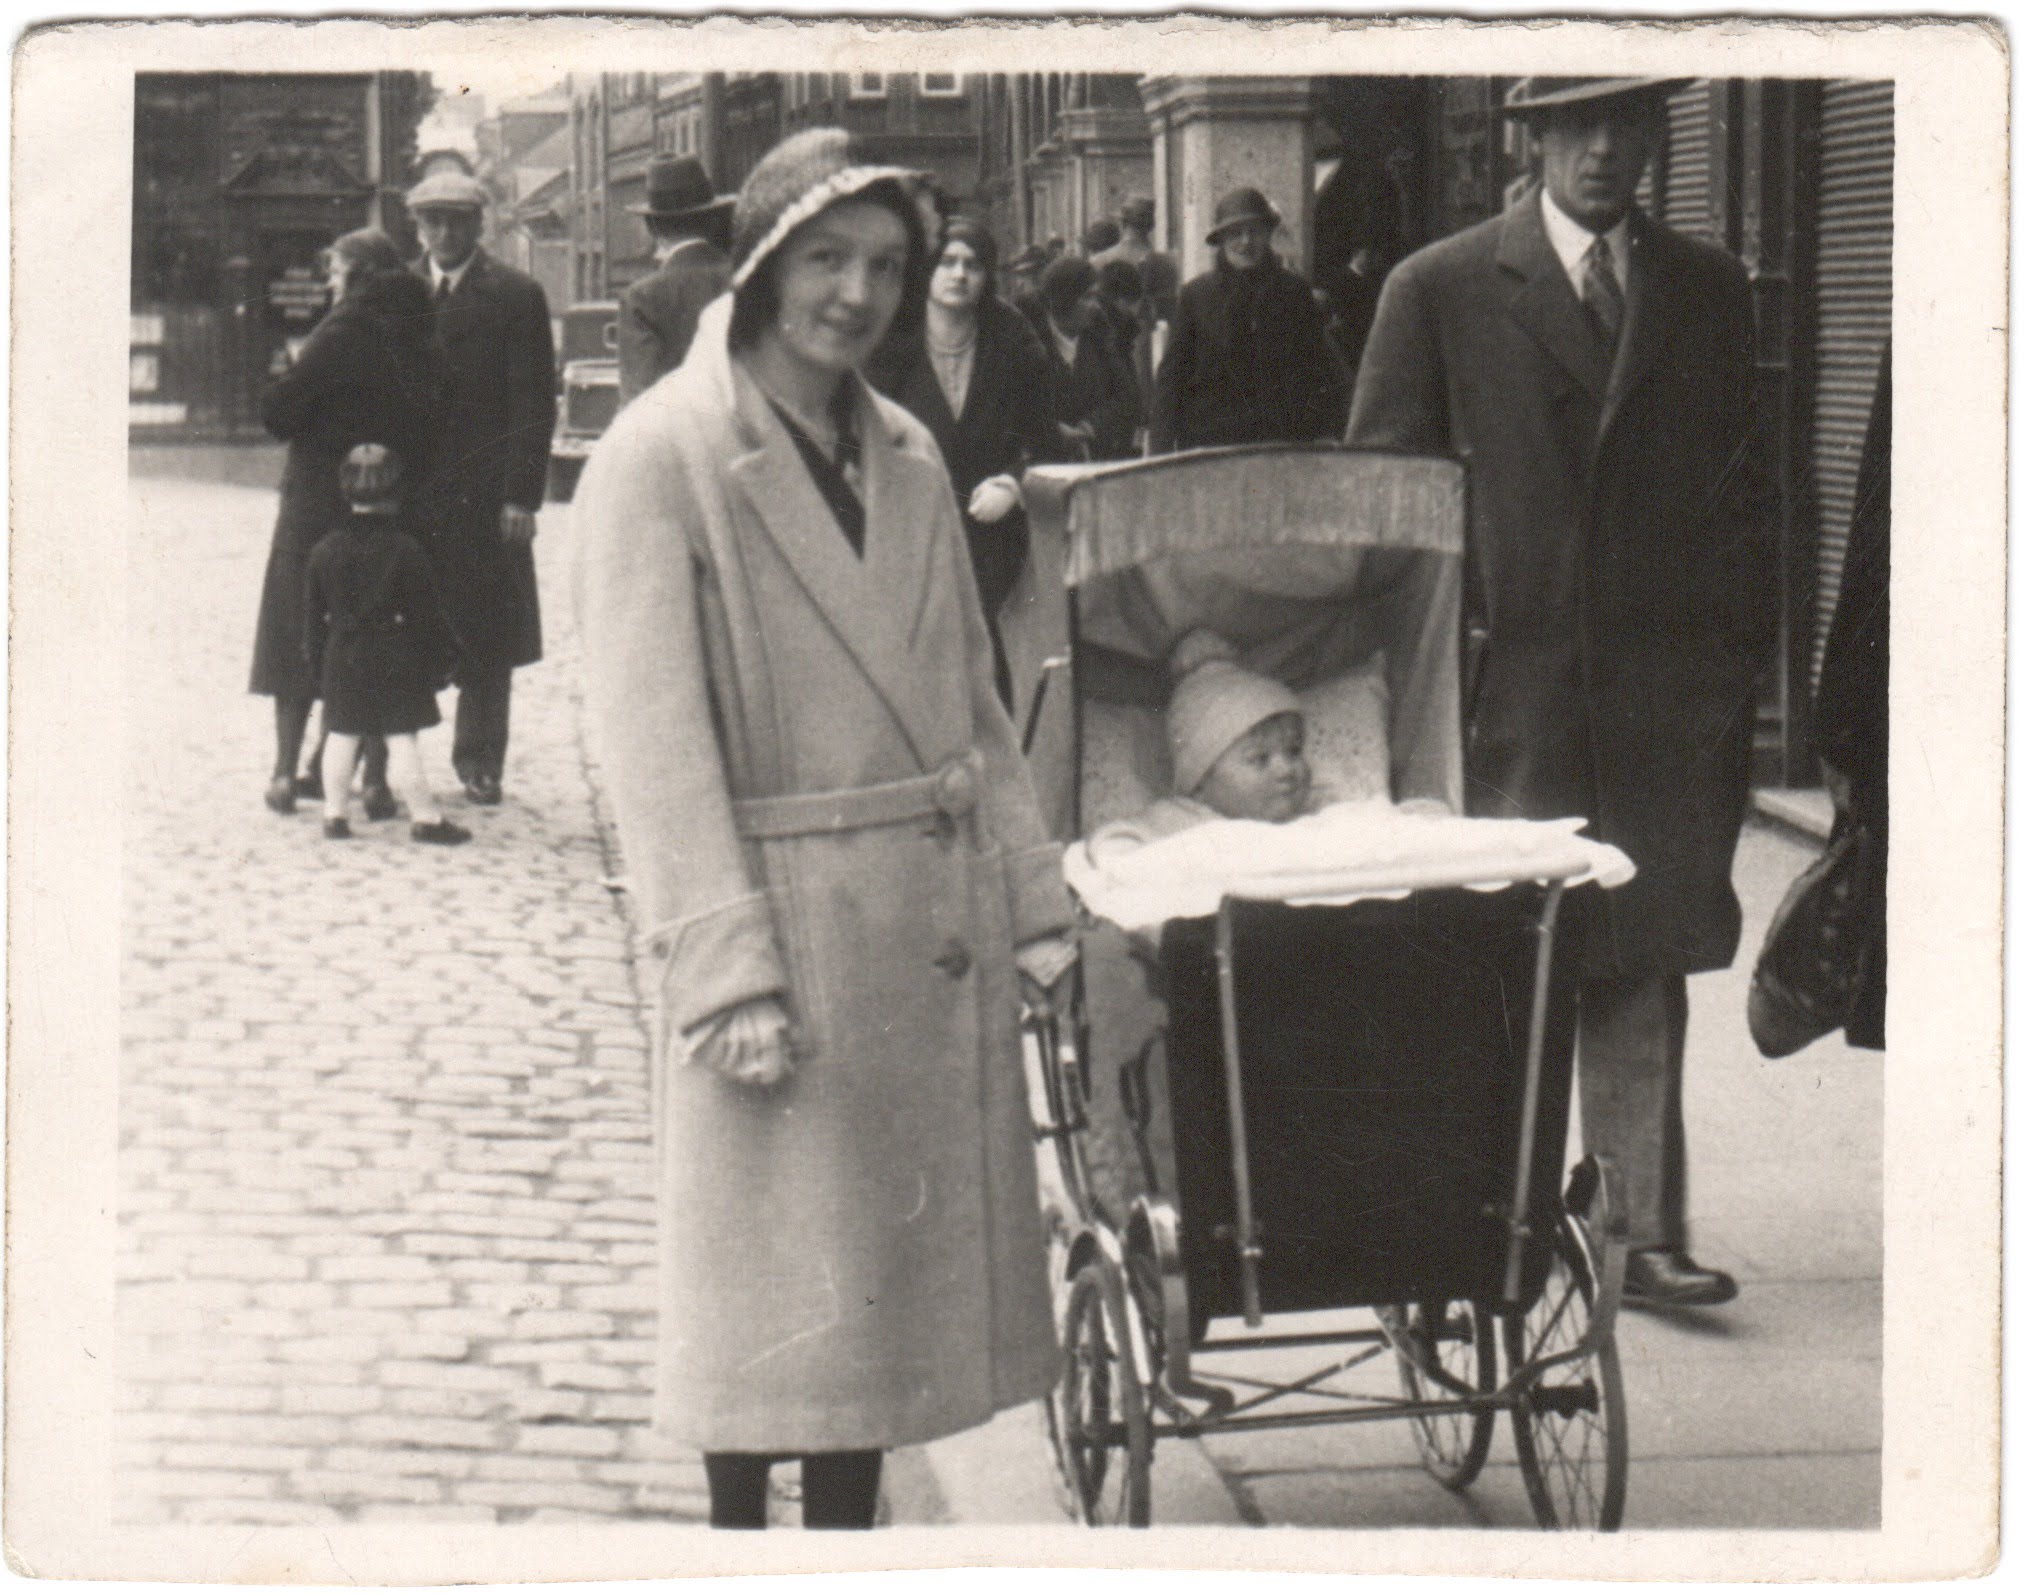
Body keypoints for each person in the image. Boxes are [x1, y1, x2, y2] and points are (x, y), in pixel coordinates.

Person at [571, 127, 1075, 1531]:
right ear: (762, 266)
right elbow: (653, 744)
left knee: (870, 1332)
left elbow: (970, 700)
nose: (856, 295)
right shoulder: (661, 455)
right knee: (762, 1325)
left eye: (886, 267)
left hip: (916, 938)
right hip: (781, 938)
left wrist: (1031, 898)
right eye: (826, 261)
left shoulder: (906, 449)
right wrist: (723, 969)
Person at [1346, 76, 1779, 1311]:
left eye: (1624, 122)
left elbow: (1748, 492)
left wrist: (1729, 664)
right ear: (1532, 136)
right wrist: (1422, 685)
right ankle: (1490, 1222)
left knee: (1639, 951)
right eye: (1575, 125)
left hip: (1662, 695)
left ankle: (1638, 1233)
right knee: (1504, 958)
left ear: (1653, 134)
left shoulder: (1705, 288)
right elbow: (1382, 512)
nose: (1601, 149)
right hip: (1511, 691)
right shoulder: (1436, 287)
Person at [250, 227, 444, 818]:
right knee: (384, 634)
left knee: (295, 628)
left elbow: (279, 413)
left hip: (317, 503)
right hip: (393, 503)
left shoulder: (340, 331)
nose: (331, 284)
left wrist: (287, 372)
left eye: (335, 272)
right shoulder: (421, 328)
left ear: (356, 274)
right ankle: (376, 782)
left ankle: (286, 773)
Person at [405, 168, 557, 808]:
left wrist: (521, 496)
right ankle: (390, 759)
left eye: (456, 221)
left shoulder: (516, 295)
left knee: (488, 634)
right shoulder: (399, 291)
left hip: (484, 495)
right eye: (431, 221)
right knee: (402, 625)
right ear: (417, 225)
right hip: (412, 495)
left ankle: (480, 760)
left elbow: (533, 403)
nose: (443, 233)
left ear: (479, 224)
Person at [872, 215, 1055, 707]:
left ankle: (995, 748)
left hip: (987, 530)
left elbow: (1048, 445)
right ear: (927, 270)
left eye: (972, 265)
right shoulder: (889, 338)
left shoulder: (1013, 340)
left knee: (981, 661)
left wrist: (1013, 486)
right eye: (947, 262)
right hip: (907, 529)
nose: (959, 274)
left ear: (987, 275)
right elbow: (855, 438)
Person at [303, 444, 470, 846]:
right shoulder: (406, 550)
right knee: (401, 737)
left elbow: (312, 620)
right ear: (395, 492)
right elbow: (427, 615)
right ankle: (425, 818)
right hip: (395, 653)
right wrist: (442, 658)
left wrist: (318, 664)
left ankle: (334, 814)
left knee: (341, 734)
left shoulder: (323, 551)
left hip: (342, 652)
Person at [1151, 186, 1346, 453]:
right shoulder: (1196, 295)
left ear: (1268, 235)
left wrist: (1326, 433)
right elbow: (1172, 377)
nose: (1246, 242)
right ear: (1221, 241)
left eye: (1254, 231)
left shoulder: (1293, 292)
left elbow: (1317, 366)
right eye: (1235, 234)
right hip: (1211, 444)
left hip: (1280, 442)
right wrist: (1160, 451)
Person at [1090, 631, 1314, 859]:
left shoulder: (1313, 810)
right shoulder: (1181, 820)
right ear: (1200, 784)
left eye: (1294, 751)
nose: (1286, 769)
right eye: (1259, 759)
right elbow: (1112, 846)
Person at [617, 154, 735, 407]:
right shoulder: (748, 279)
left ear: (653, 228)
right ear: (712, 220)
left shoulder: (642, 298)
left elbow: (640, 400)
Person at [1034, 255, 1141, 462]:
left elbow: (1127, 398)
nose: (1096, 306)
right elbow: (1013, 406)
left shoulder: (1103, 340)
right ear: (1062, 301)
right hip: (1043, 462)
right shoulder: (1028, 343)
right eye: (1087, 297)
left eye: (1096, 296)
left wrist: (1089, 427)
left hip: (1098, 458)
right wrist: (1052, 430)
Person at [1091, 195, 1179, 326]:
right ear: (1152, 225)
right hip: (1150, 335)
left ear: (1123, 223)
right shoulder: (1166, 263)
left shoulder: (1099, 260)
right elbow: (1170, 313)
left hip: (1111, 334)